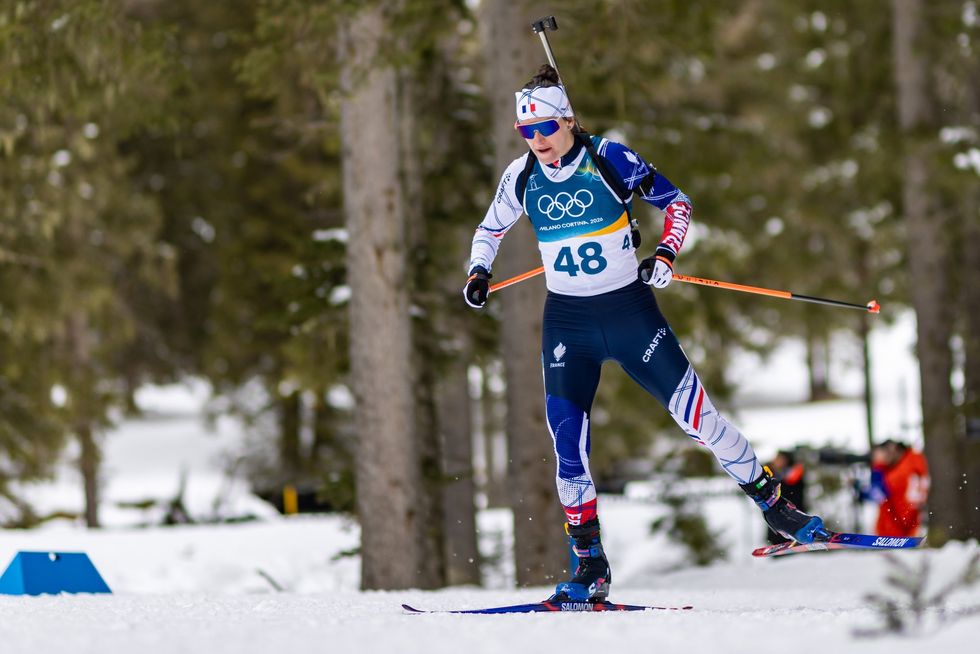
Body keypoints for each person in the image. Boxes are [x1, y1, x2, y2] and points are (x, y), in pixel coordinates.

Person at [462, 65, 826, 602]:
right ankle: (590, 565)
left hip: (630, 314)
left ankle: (778, 507)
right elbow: (489, 228)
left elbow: (676, 202)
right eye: (526, 132)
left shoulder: (609, 158)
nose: (537, 140)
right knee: (567, 444)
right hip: (567, 323)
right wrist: (477, 271)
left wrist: (666, 253)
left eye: (545, 128)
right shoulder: (520, 177)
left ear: (567, 121)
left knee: (698, 419)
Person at [858, 440, 929, 537]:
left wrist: (878, 466)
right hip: (912, 526)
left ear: (893, 449)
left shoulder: (898, 474)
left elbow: (877, 493)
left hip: (895, 531)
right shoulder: (915, 461)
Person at [765, 450, 807, 545]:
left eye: (780, 459)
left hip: (793, 512)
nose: (776, 461)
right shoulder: (772, 473)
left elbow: (790, 489)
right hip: (776, 514)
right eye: (776, 459)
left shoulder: (793, 473)